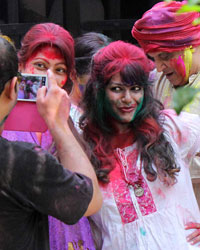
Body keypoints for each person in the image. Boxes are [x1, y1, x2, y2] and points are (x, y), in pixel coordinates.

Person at [79, 40, 200, 249]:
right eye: (117, 89)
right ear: (99, 91)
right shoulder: (85, 148)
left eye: (135, 89)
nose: (128, 99)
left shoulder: (170, 129)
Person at [0, 36, 102, 249]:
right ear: (14, 86)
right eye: (40, 66)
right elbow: (89, 201)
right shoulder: (19, 159)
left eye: (60, 69)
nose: (50, 79)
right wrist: (59, 125)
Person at [131, 0, 200, 206]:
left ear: (192, 45)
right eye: (154, 58)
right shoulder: (156, 81)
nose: (159, 67)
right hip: (172, 199)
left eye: (165, 56)